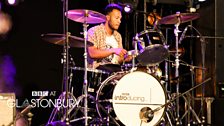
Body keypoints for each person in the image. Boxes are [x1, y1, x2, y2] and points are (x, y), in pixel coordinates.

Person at [87, 3, 132, 73]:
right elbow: (92, 53)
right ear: (107, 17)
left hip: (115, 71)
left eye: (120, 19)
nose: (119, 21)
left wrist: (126, 57)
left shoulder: (118, 36)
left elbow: (118, 60)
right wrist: (113, 50)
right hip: (99, 71)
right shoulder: (94, 31)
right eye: (117, 18)